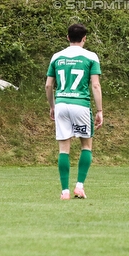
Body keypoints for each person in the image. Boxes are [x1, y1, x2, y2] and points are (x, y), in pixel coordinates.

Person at [46, 23, 103, 200]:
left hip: (62, 103)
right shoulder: (91, 56)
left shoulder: (57, 57)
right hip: (81, 104)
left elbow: (49, 85)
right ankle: (79, 186)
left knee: (64, 150)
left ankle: (65, 191)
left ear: (68, 37)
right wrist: (100, 110)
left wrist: (52, 106)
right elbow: (95, 84)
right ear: (84, 38)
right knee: (86, 146)